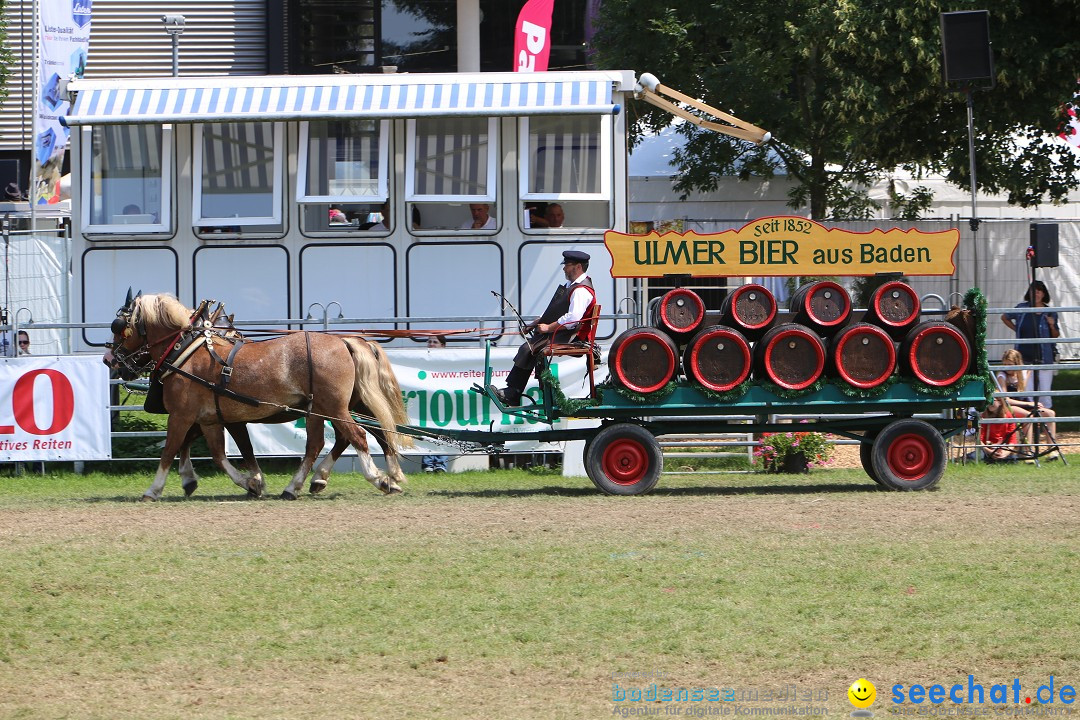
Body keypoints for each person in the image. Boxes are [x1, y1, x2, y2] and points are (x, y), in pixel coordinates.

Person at [492, 250, 598, 406]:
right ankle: (513, 391)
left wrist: (548, 328)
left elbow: (573, 319)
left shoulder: (581, 291)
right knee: (528, 347)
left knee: (530, 347)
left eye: (567, 265)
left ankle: (513, 392)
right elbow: (553, 311)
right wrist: (534, 324)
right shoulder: (571, 286)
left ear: (578, 267)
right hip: (565, 332)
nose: (564, 269)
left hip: (574, 337)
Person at [1001, 280, 1059, 409]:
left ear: (1044, 294)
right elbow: (1004, 317)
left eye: (1039, 291)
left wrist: (1051, 324)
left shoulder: (1050, 312)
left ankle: (1045, 420)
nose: (1036, 294)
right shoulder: (1022, 308)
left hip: (1044, 358)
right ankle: (1030, 422)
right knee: (1027, 392)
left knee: (1045, 393)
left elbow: (1055, 335)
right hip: (1024, 358)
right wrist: (1016, 329)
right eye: (1034, 291)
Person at [996, 348, 1057, 448]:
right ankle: (1027, 451)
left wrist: (1030, 403)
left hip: (1023, 403)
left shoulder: (1022, 373)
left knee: (1050, 413)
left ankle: (1051, 448)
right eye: (1005, 364)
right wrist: (1029, 404)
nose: (1007, 367)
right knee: (1028, 416)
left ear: (1017, 364)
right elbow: (1005, 400)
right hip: (1009, 406)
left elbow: (1022, 388)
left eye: (1010, 365)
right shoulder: (1002, 376)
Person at [422, 335, 449, 473]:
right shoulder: (422, 359)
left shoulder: (448, 360)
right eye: (429, 342)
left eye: (435, 342)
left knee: (443, 431)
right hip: (426, 401)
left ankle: (440, 463)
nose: (431, 344)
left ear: (443, 345)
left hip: (443, 401)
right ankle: (427, 463)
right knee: (426, 431)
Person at [979, 397, 1020, 462]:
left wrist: (1005, 453)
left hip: (1003, 448)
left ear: (1000, 402)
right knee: (976, 457)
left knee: (1014, 459)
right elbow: (979, 440)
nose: (990, 403)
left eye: (993, 400)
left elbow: (1012, 440)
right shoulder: (984, 416)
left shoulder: (1008, 416)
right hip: (986, 449)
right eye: (988, 400)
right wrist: (990, 452)